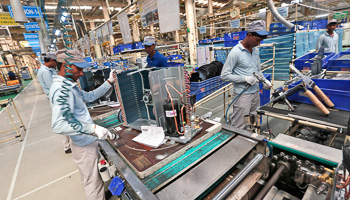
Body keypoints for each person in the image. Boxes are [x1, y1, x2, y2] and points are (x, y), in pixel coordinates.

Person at [50, 49, 116, 200]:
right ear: (66, 65)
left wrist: (109, 82)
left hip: (86, 141)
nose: (81, 73)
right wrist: (91, 128)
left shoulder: (69, 85)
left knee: (94, 178)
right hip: (83, 145)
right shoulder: (62, 90)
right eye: (78, 68)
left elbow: (89, 96)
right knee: (92, 183)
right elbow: (58, 125)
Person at [221, 20, 270, 129]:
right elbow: (224, 75)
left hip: (256, 93)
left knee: (253, 120)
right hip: (242, 96)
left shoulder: (256, 51)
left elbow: (258, 71)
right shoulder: (235, 53)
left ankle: (250, 140)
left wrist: (264, 81)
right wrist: (244, 78)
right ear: (249, 35)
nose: (259, 43)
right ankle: (237, 144)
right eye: (257, 40)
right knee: (240, 125)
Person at [37, 52, 72, 154]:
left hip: (57, 97)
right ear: (51, 61)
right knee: (63, 120)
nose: (56, 64)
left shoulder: (49, 69)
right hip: (56, 99)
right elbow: (53, 87)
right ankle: (67, 146)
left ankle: (69, 143)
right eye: (55, 62)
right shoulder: (45, 72)